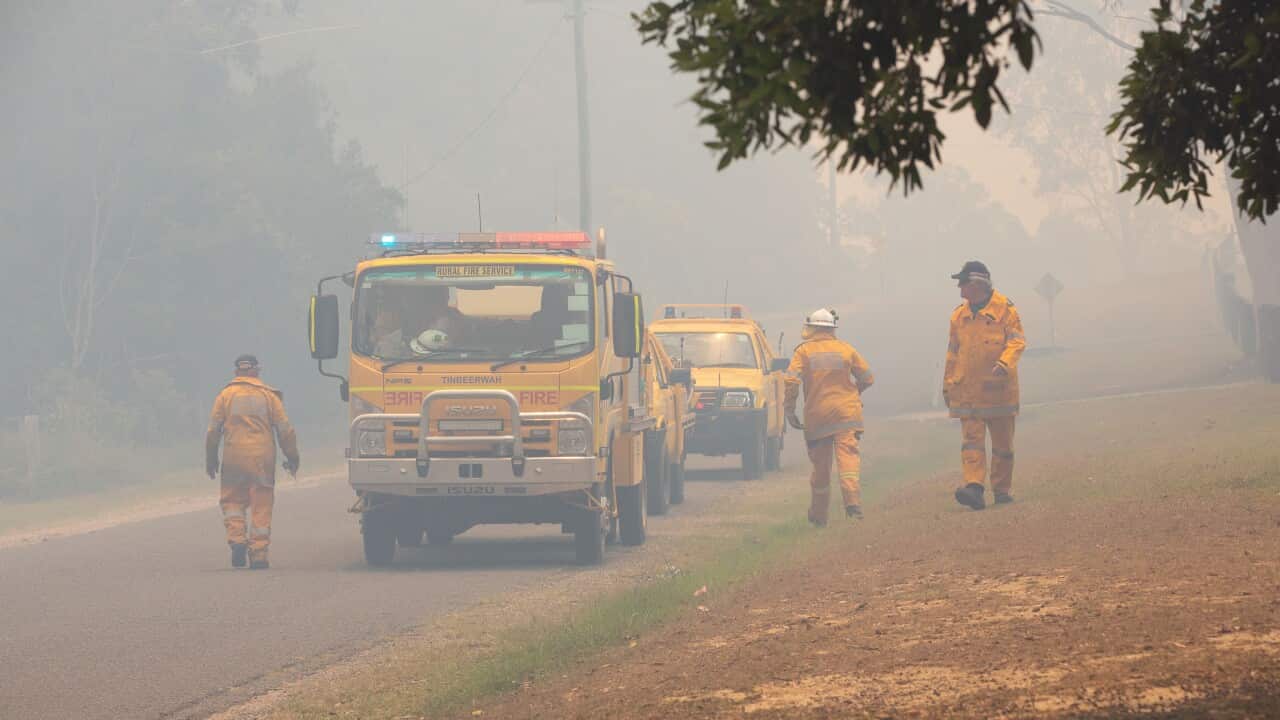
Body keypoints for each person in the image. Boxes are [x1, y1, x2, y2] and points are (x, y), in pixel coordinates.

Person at [943, 261, 1027, 510]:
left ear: (977, 284)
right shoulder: (958, 315)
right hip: (967, 392)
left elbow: (1017, 342)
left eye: (963, 284)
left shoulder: (1005, 309)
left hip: (999, 392)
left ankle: (1001, 491)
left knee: (1002, 446)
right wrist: (948, 385)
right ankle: (974, 488)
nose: (960, 291)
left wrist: (1004, 363)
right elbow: (952, 354)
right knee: (972, 443)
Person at [205, 355, 299, 569]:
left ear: (237, 372)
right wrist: (293, 457)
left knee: (232, 501)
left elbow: (212, 432)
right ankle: (258, 553)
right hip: (261, 459)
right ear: (257, 371)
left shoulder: (224, 396)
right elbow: (285, 431)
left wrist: (211, 459)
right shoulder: (269, 396)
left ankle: (237, 540)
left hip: (233, 457)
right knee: (261, 503)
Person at [784, 308, 875, 526]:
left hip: (818, 416)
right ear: (832, 328)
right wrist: (853, 393)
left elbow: (791, 381)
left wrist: (790, 409)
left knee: (821, 469)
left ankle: (818, 516)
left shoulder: (803, 352)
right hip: (847, 415)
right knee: (848, 461)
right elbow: (868, 378)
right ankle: (853, 504)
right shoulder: (846, 349)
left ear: (811, 327)